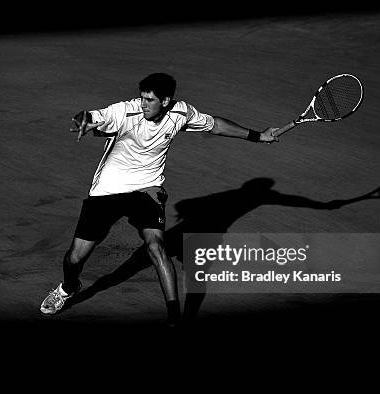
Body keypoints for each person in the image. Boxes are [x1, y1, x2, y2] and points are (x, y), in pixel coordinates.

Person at [39, 72, 279, 326]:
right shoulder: (125, 111)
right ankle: (68, 288)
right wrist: (81, 123)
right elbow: (93, 116)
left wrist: (258, 135)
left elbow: (215, 125)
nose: (143, 104)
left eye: (149, 100)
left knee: (156, 247)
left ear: (166, 101)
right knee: (75, 257)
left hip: (147, 189)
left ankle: (174, 319)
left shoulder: (181, 113)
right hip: (108, 190)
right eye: (142, 98)